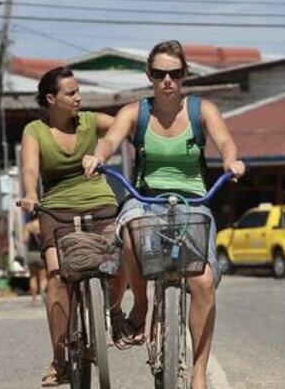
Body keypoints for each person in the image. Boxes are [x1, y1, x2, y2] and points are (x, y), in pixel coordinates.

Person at [81, 40, 245, 389]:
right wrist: (97, 156)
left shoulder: (203, 111)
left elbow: (226, 141)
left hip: (194, 203)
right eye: (159, 73)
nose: (167, 80)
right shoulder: (134, 112)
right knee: (129, 231)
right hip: (147, 198)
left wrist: (231, 161)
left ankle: (198, 374)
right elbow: (109, 141)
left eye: (174, 73)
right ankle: (140, 306)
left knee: (202, 283)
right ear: (149, 76)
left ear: (184, 75)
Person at [18, 66, 118, 387]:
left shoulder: (91, 121)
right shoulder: (35, 131)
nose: (78, 97)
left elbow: (126, 126)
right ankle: (60, 359)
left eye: (78, 91)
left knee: (121, 256)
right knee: (56, 277)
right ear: (51, 98)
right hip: (56, 209)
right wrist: (31, 194)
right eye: (70, 92)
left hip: (101, 202)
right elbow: (30, 170)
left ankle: (116, 317)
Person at [23, 213, 47, 305]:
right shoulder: (43, 224)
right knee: (43, 277)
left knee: (33, 277)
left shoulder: (29, 225)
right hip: (41, 252)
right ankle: (42, 290)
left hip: (31, 253)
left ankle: (33, 298)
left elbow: (24, 240)